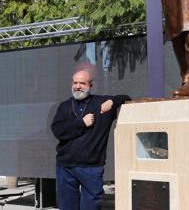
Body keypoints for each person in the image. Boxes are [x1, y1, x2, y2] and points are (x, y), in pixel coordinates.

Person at [51, 70, 130, 210]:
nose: (78, 86)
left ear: (91, 85)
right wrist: (82, 123)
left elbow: (127, 98)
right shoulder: (64, 106)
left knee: (91, 206)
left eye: (82, 83)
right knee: (67, 207)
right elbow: (58, 131)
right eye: (75, 83)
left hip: (92, 168)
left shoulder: (101, 103)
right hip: (65, 167)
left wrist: (113, 101)